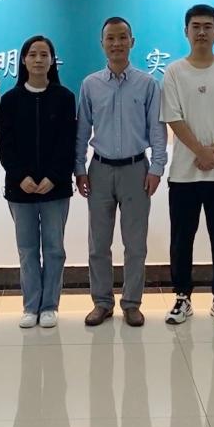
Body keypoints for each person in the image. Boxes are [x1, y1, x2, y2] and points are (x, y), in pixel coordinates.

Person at [76, 17, 167, 328]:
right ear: (102, 43)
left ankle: (132, 303)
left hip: (136, 169)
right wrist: (79, 169)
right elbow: (82, 130)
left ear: (132, 41)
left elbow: (157, 130)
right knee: (98, 244)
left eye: (122, 37)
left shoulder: (148, 84)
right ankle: (102, 302)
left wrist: (157, 168)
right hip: (99, 170)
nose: (116, 43)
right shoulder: (90, 84)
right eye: (110, 38)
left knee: (135, 244)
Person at [160, 4, 214, 326]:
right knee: (182, 239)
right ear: (186, 31)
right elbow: (173, 117)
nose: (201, 32)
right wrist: (199, 151)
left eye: (208, 26)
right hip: (184, 173)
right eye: (195, 26)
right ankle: (182, 297)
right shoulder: (174, 71)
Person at [0, 35, 77, 329]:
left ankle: (50, 305)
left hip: (55, 189)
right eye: (33, 54)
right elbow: (5, 144)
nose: (39, 60)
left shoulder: (65, 98)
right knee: (27, 250)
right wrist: (21, 177)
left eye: (45, 54)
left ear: (53, 60)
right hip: (21, 190)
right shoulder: (10, 100)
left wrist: (53, 177)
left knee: (54, 249)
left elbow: (68, 142)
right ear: (23, 60)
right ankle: (31, 305)